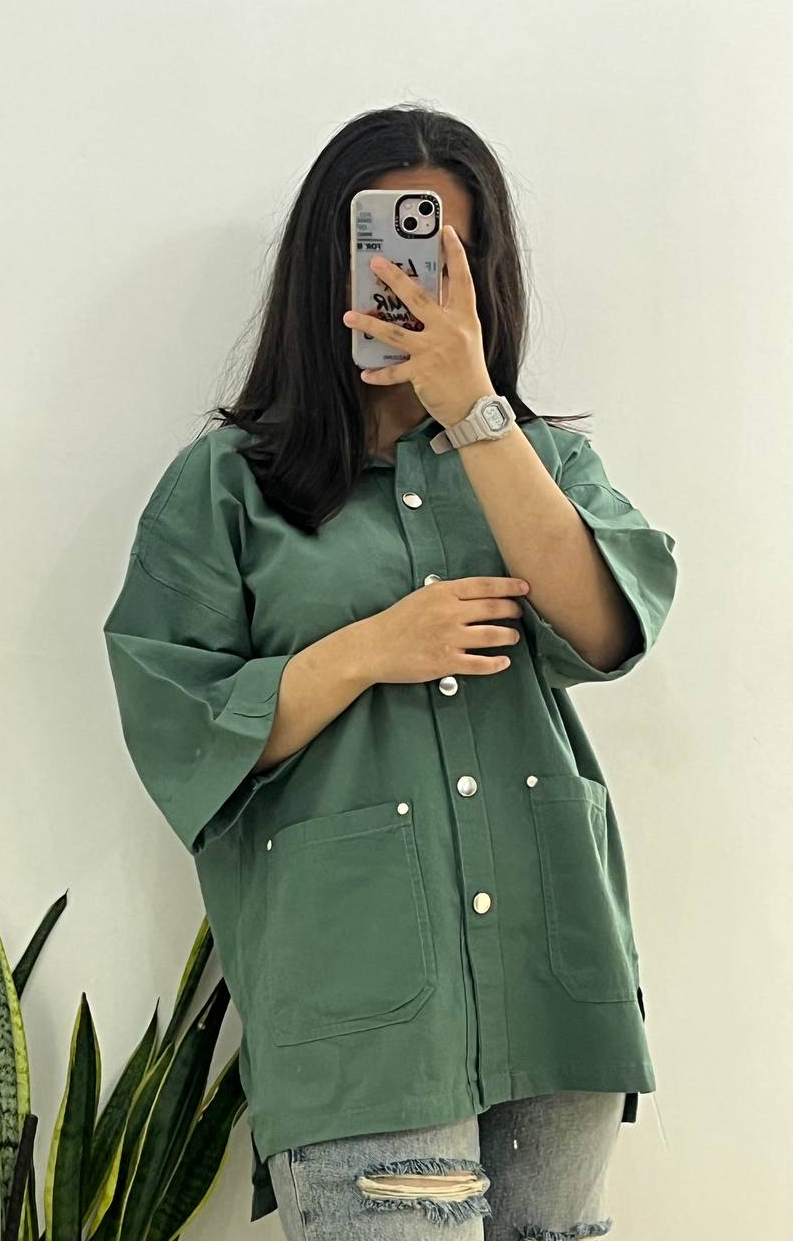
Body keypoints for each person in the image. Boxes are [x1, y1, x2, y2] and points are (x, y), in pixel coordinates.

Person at [102, 104, 678, 1239]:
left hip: (555, 982)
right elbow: (181, 728)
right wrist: (370, 649)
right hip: (356, 1010)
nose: (411, 284)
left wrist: (476, 414)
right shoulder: (226, 484)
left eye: (445, 256)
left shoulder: (544, 462)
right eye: (388, 250)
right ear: (332, 263)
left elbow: (608, 627)